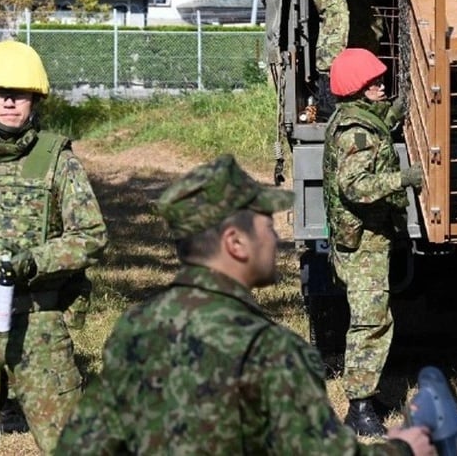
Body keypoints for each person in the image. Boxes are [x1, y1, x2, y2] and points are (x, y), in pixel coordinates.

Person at [56, 154, 435, 455]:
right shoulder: (273, 351)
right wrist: (404, 448)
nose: (274, 238)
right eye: (265, 226)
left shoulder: (134, 328)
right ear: (235, 243)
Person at [0, 40, 107, 454]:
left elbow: (90, 234)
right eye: (1, 92)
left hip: (39, 324)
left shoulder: (58, 160)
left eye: (21, 94)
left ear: (35, 100)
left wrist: (35, 261)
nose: (11, 102)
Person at [323, 47, 423, 436]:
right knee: (371, 323)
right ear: (357, 88)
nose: (381, 85)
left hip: (363, 239)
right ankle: (359, 408)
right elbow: (355, 186)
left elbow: (378, 129)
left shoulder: (354, 118)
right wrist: (403, 179)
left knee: (373, 319)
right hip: (363, 243)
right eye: (374, 82)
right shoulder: (356, 132)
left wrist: (397, 110)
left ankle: (365, 394)